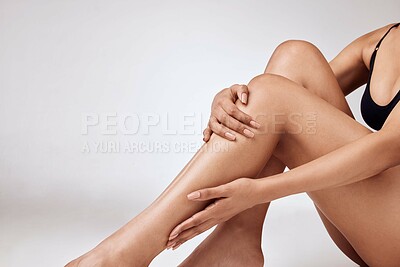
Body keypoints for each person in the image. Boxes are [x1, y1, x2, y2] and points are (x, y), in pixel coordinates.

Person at [66, 23, 400, 267]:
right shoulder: (383, 39)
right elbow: (292, 92)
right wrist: (230, 101)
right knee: (294, 56)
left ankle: (124, 255)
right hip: (381, 223)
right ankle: (237, 237)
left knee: (273, 95)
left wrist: (259, 190)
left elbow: (386, 149)